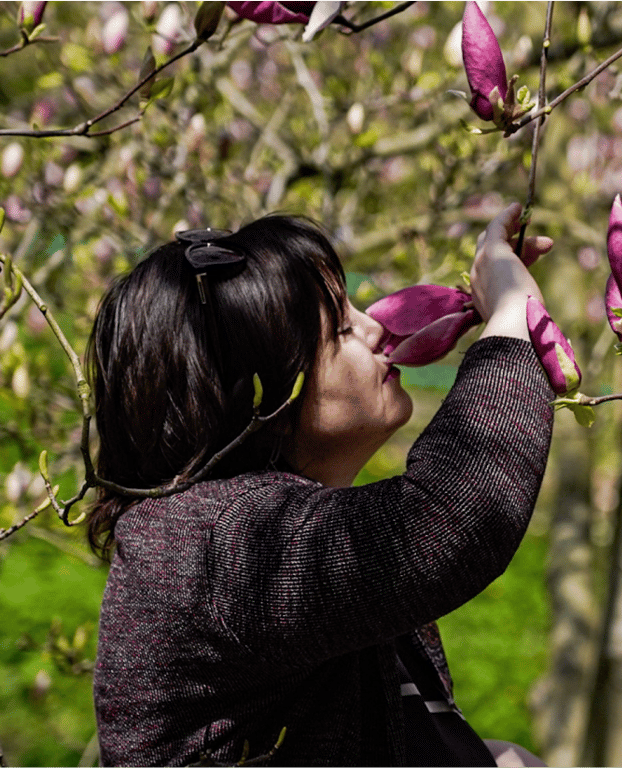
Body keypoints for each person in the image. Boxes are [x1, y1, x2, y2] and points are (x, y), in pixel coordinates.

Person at [87, 203, 553, 767]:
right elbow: (451, 515)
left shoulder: (289, 548)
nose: (377, 327)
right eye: (340, 328)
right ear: (261, 395)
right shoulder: (205, 547)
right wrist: (513, 315)